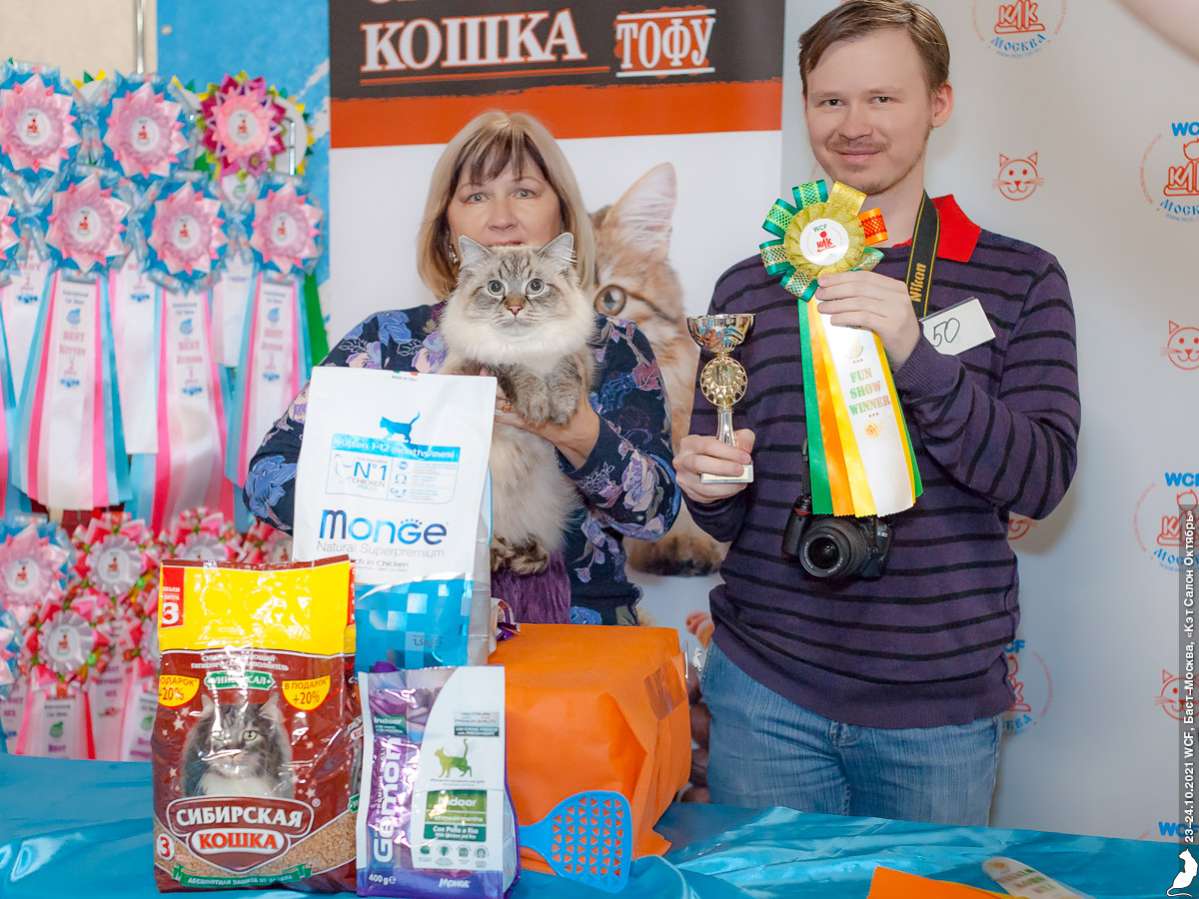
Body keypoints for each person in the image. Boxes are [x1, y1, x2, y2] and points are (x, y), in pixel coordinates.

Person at [676, 0, 1080, 825]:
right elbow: (729, 511)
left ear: (938, 104)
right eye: (830, 100)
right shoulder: (748, 286)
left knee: (917, 887)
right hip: (762, 689)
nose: (853, 125)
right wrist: (710, 490)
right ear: (804, 108)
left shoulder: (1021, 278)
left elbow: (1038, 479)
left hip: (937, 712)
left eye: (882, 99)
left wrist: (915, 354)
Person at [246, 110, 679, 625]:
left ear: (564, 216)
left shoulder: (614, 346)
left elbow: (654, 516)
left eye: (524, 191)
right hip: (410, 628)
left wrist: (576, 432)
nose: (501, 217)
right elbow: (268, 480)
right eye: (475, 196)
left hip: (578, 633)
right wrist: (405, 509)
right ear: (448, 228)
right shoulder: (385, 341)